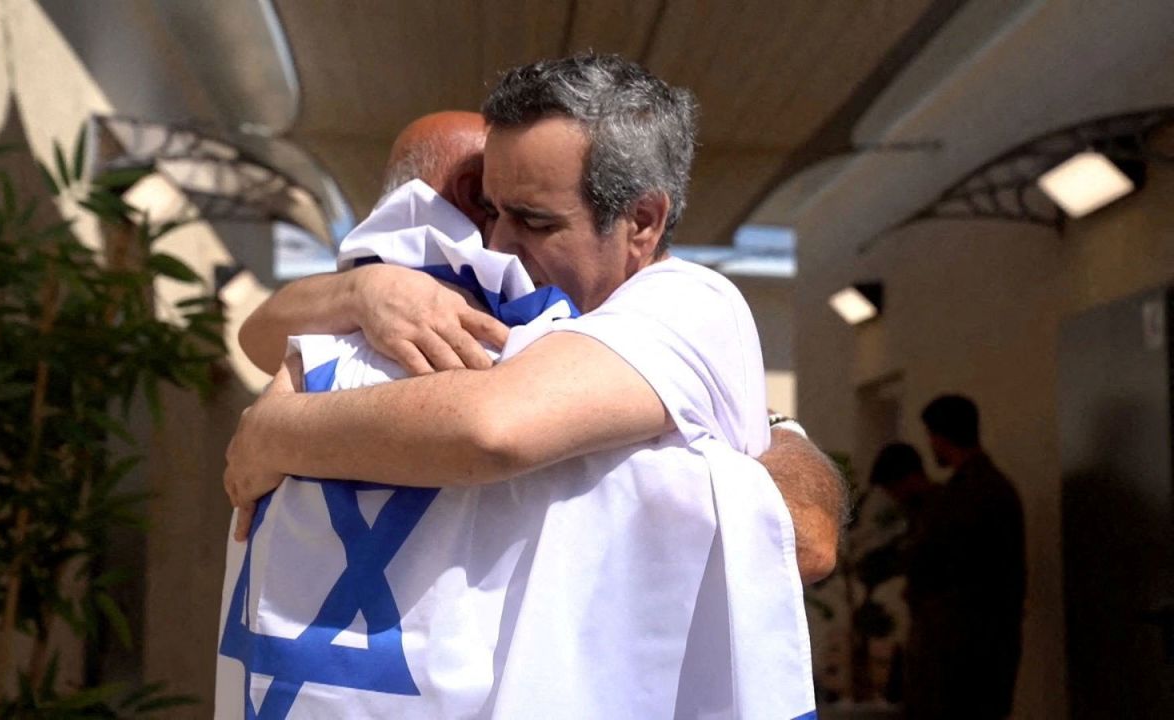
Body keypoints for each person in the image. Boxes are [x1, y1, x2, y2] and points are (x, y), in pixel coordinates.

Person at [225, 55, 827, 718]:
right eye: (489, 210)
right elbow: (261, 334)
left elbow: (492, 430)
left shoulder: (687, 301)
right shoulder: (472, 315)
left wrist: (272, 433)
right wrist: (365, 288)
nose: (497, 244)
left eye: (535, 221)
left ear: (644, 222)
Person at [897, 395, 1026, 719]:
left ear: (938, 437)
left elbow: (931, 567)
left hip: (954, 653)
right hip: (989, 648)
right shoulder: (998, 488)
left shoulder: (961, 498)